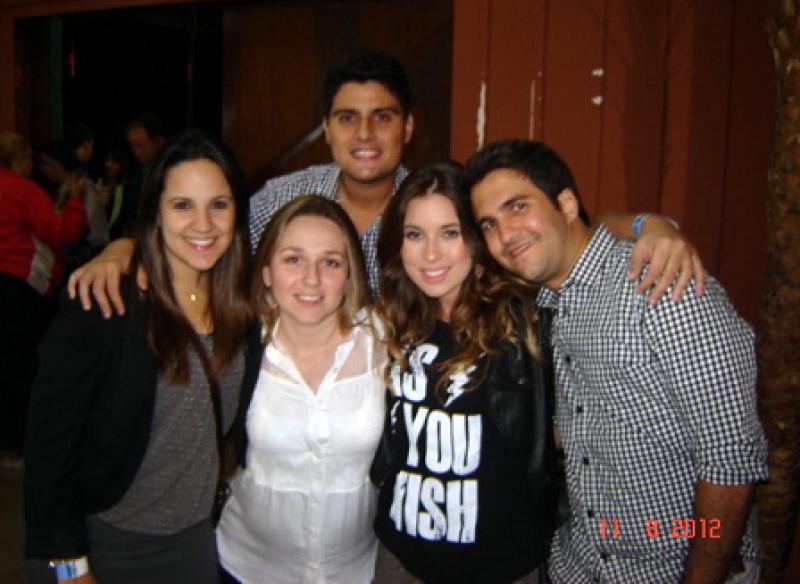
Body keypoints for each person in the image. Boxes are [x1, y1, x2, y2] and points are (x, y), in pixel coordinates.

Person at [68, 47, 702, 316]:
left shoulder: (439, 199)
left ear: (408, 128)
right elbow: (206, 233)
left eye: (383, 117)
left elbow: (557, 220)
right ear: (327, 128)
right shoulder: (282, 199)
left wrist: (650, 225)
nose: (365, 133)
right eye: (347, 118)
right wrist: (125, 247)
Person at [465, 140, 768, 584]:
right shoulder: (549, 300)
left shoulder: (661, 283)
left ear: (567, 204)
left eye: (518, 207)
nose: (505, 235)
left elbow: (731, 459)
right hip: (579, 562)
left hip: (670, 569)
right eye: (489, 224)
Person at [24, 130, 257, 584]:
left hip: (195, 542)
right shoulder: (106, 302)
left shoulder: (242, 309)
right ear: (155, 211)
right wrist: (69, 565)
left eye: (219, 204)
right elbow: (49, 445)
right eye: (182, 205)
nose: (204, 224)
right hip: (105, 542)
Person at [370, 162, 557, 583]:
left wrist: (650, 227)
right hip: (401, 559)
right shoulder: (395, 320)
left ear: (475, 239)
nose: (431, 254)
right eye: (414, 234)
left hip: (498, 568)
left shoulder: (522, 320)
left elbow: (570, 238)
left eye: (450, 233)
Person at [216, 195, 386, 583]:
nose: (312, 279)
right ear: (267, 272)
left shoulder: (384, 338)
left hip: (357, 570)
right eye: (293, 259)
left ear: (350, 275)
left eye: (331, 262)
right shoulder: (241, 341)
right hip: (248, 567)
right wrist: (122, 252)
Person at [0, 132, 86, 460]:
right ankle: (21, 438)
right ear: (19, 159)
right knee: (23, 364)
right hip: (16, 284)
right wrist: (74, 202)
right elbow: (60, 232)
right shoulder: (23, 190)